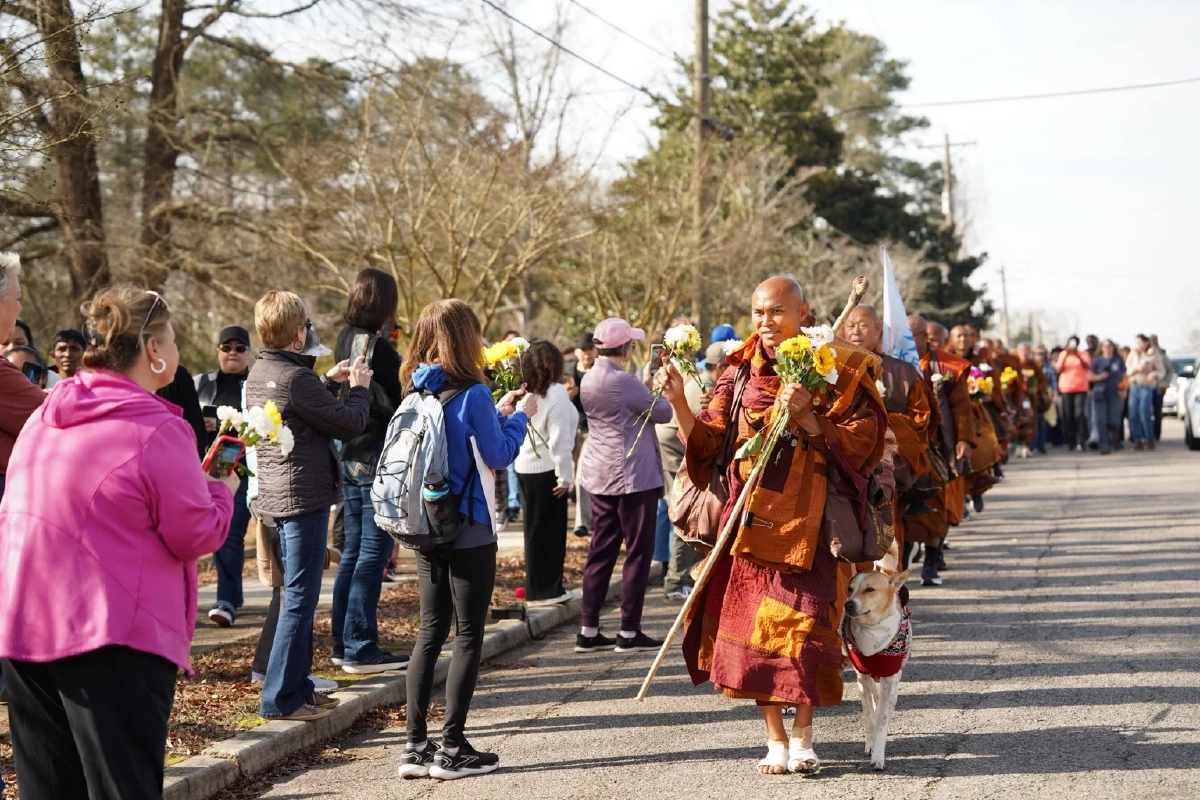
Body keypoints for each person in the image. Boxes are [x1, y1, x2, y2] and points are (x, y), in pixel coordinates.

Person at [0, 285, 236, 798]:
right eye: (171, 338)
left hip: (26, 625)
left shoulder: (44, 416)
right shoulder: (155, 428)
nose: (175, 350)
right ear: (153, 350)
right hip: (114, 634)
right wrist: (222, 490)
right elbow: (194, 533)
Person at [660, 276, 882, 775]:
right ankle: (775, 739)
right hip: (750, 521)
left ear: (804, 312)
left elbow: (863, 438)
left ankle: (804, 736)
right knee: (754, 637)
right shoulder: (739, 368)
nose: (765, 323)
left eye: (777, 312)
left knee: (803, 632)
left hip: (809, 525)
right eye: (758, 313)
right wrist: (679, 404)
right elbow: (712, 440)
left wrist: (809, 421)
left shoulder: (837, 365)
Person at [398, 299, 535, 780]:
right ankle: (453, 748)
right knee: (470, 634)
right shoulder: (473, 391)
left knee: (429, 630)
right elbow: (497, 454)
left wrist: (495, 412)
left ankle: (416, 746)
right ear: (466, 338)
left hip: (425, 524)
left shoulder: (413, 389)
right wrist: (519, 418)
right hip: (469, 524)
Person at [248, 291, 372, 722]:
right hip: (304, 495)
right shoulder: (294, 378)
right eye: (305, 325)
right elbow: (349, 422)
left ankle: (297, 688)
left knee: (295, 593)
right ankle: (279, 698)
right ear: (298, 333)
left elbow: (300, 411)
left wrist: (330, 382)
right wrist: (358, 389)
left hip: (281, 493)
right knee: (300, 597)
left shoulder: (261, 371)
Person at [574, 317, 670, 656]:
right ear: (627, 348)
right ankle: (628, 630)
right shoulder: (625, 381)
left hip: (599, 473)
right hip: (632, 475)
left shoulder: (588, 379)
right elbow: (663, 412)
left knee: (601, 550)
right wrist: (651, 386)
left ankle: (588, 628)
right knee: (638, 553)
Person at [329, 269, 407, 674]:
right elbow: (401, 395)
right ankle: (360, 645)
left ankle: (343, 642)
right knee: (373, 552)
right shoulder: (380, 348)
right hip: (376, 454)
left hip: (351, 451)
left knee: (354, 551)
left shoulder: (345, 337)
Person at [841, 304, 934, 568]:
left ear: (878, 329)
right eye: (850, 325)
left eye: (863, 324)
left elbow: (920, 419)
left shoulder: (901, 372)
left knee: (885, 528)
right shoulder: (834, 368)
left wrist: (882, 423)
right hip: (845, 460)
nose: (856, 331)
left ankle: (889, 596)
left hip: (886, 464)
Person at [907, 316, 976, 585]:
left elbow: (961, 407)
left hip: (940, 446)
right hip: (908, 444)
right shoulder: (893, 360)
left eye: (913, 336)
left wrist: (964, 441)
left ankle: (932, 561)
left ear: (926, 338)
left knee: (938, 506)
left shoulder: (947, 365)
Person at [196, 324, 255, 627]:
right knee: (221, 534)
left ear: (247, 352)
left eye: (239, 348)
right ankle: (233, 594)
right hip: (209, 470)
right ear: (218, 351)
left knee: (230, 533)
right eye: (227, 347)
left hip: (246, 469)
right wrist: (200, 423)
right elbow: (180, 419)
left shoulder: (256, 383)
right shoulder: (200, 383)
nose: (233, 353)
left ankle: (226, 601)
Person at [515, 339, 578, 605]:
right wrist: (565, 477)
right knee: (551, 532)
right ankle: (547, 589)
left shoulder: (528, 393)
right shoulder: (556, 393)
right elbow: (559, 441)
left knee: (534, 531)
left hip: (525, 467)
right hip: (548, 470)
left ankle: (538, 587)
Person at [661, 339, 707, 603]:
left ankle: (680, 577)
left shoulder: (695, 378)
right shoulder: (699, 382)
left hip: (679, 447)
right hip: (676, 447)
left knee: (683, 511)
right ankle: (676, 579)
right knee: (683, 511)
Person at [568, 331, 595, 538]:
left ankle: (582, 523)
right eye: (583, 350)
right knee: (570, 477)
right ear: (576, 352)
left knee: (581, 477)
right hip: (569, 430)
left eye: (590, 349)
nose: (587, 354)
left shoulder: (599, 372)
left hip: (590, 431)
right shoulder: (567, 373)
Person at [1086, 339, 1124, 455]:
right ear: (1101, 348)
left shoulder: (1118, 360)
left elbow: (1124, 376)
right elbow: (1089, 376)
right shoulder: (1097, 361)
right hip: (1100, 394)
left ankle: (1115, 440)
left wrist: (1124, 389)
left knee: (1114, 420)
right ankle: (1104, 446)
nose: (1108, 348)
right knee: (1101, 420)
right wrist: (1100, 377)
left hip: (1115, 393)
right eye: (1105, 346)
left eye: (1110, 346)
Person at [1125, 334, 1163, 451]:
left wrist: (1153, 374)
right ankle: (1137, 440)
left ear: (1146, 343)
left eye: (1141, 342)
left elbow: (1161, 371)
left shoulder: (1153, 354)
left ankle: (1150, 439)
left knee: (1144, 413)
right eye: (1137, 343)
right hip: (1134, 385)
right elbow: (1127, 370)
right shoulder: (1133, 354)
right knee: (1133, 415)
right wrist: (1136, 368)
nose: (1139, 345)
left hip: (1146, 386)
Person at [1054, 337, 1091, 452]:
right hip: (1066, 388)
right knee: (1067, 415)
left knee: (1079, 414)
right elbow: (1058, 369)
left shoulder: (1083, 354)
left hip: (1080, 387)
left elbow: (1086, 366)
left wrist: (1077, 355)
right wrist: (1066, 354)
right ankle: (1070, 441)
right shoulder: (1063, 355)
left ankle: (1082, 440)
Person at [1150, 334, 1171, 441]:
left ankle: (1156, 434)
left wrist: (1165, 383)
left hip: (1158, 387)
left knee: (1157, 412)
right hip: (1146, 386)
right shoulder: (1145, 355)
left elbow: (1169, 371)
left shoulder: (1162, 355)